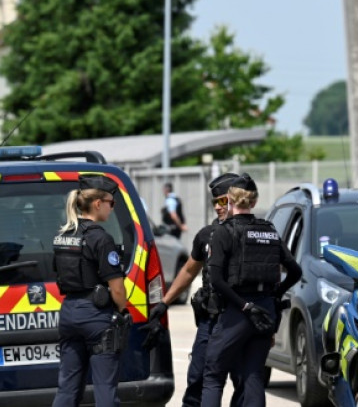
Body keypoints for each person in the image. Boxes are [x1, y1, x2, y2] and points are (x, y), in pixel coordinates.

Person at [142, 173, 244, 407]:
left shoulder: (250, 233)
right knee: (197, 378)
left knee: (244, 382)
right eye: (215, 202)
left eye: (223, 201)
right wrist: (164, 302)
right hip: (210, 320)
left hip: (239, 319)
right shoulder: (206, 235)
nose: (218, 207)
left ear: (237, 199)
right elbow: (189, 271)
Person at [201, 173, 303, 407]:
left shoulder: (224, 232)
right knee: (253, 375)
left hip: (236, 311)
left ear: (230, 200)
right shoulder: (269, 230)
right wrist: (275, 295)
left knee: (213, 375)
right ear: (254, 202)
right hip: (265, 311)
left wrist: (243, 305)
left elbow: (216, 279)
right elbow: (295, 271)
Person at [52, 175, 130, 407]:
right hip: (96, 316)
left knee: (67, 388)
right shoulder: (100, 238)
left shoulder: (63, 236)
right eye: (111, 203)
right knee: (105, 389)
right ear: (98, 204)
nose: (111, 208)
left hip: (69, 313)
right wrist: (122, 311)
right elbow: (117, 288)